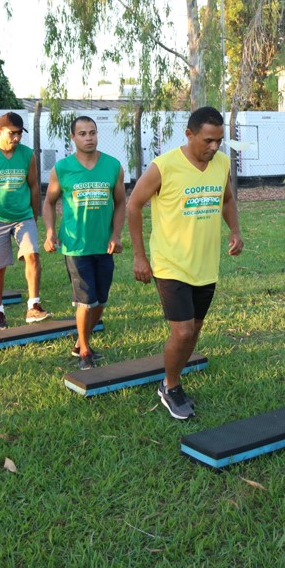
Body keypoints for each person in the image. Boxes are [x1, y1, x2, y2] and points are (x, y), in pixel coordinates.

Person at [126, 106, 243, 420]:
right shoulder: (164, 167)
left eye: (219, 140)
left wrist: (235, 230)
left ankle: (174, 377)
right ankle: (170, 386)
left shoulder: (221, 163)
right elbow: (134, 205)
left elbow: (227, 199)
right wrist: (139, 256)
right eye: (208, 140)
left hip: (205, 265)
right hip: (170, 264)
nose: (214, 147)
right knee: (182, 332)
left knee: (194, 330)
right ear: (189, 134)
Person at [43, 116, 126, 370]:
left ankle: (81, 341)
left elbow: (121, 203)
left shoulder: (113, 166)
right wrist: (49, 232)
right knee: (85, 300)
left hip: (104, 245)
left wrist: (116, 235)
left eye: (92, 132)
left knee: (101, 300)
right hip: (76, 245)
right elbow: (49, 202)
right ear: (73, 138)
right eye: (82, 133)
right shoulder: (62, 168)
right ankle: (85, 351)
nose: (88, 138)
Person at [0, 111, 52, 330]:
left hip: (23, 216)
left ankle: (33, 306)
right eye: (11, 133)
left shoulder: (27, 155)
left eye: (19, 134)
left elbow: (33, 186)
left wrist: (34, 216)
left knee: (32, 255)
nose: (16, 138)